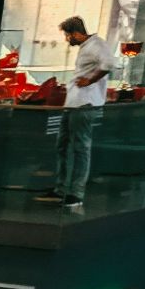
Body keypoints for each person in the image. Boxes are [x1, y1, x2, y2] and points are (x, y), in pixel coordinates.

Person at [38, 16, 116, 211]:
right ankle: (61, 188)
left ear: (75, 33)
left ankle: (76, 193)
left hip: (84, 104)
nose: (67, 39)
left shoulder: (97, 45)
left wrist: (90, 81)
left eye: (67, 35)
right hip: (73, 103)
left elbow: (108, 64)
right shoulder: (87, 47)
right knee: (62, 145)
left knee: (80, 148)